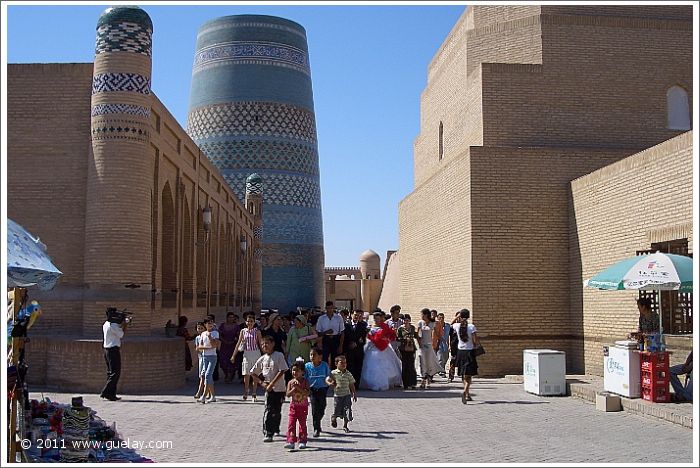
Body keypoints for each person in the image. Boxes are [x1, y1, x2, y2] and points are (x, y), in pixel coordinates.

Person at [249, 336, 289, 442]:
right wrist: (262, 383)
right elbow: (253, 373)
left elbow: (282, 370)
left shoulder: (278, 356)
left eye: (267, 343)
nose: (264, 346)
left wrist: (272, 383)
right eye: (262, 344)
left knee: (277, 409)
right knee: (269, 410)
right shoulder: (262, 358)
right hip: (269, 389)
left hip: (279, 388)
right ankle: (268, 432)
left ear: (272, 344)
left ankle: (275, 427)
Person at [360, 311, 403, 391]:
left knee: (384, 365)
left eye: (378, 319)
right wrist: (369, 336)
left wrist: (387, 339)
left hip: (383, 348)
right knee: (372, 365)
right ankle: (372, 383)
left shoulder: (385, 327)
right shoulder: (370, 327)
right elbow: (368, 337)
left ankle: (384, 382)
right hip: (372, 347)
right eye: (375, 319)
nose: (377, 320)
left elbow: (392, 335)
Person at [231, 314, 263, 401]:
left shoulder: (257, 332)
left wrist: (266, 355)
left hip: (256, 353)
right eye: (248, 321)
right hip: (246, 354)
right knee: (246, 374)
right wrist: (234, 355)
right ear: (245, 322)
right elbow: (238, 343)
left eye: (251, 321)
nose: (249, 323)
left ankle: (254, 393)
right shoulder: (243, 331)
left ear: (254, 322)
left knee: (255, 374)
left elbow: (261, 344)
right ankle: (246, 391)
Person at [452, 309, 480, 404]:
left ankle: (467, 394)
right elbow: (475, 340)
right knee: (469, 375)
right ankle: (465, 391)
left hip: (460, 352)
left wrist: (457, 316)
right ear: (468, 316)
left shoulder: (457, 326)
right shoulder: (471, 327)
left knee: (463, 374)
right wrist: (475, 345)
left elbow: (451, 323)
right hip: (469, 352)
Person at [100, 308, 128, 401]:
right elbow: (121, 334)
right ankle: (105, 392)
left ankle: (111, 394)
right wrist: (125, 324)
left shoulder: (106, 324)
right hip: (113, 350)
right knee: (115, 373)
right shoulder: (113, 325)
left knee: (111, 372)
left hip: (107, 350)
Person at [326, 355, 358, 433]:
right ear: (336, 364)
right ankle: (334, 417)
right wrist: (330, 384)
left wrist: (354, 393)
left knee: (347, 410)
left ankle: (345, 426)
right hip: (337, 396)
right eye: (341, 363)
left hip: (347, 395)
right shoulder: (333, 373)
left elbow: (351, 384)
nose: (344, 364)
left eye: (345, 363)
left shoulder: (348, 374)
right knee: (337, 409)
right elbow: (327, 379)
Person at [305, 347, 331, 438]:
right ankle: (316, 428)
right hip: (312, 390)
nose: (312, 356)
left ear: (320, 356)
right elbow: (305, 378)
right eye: (311, 354)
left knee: (322, 407)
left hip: (323, 389)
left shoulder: (324, 365)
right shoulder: (307, 366)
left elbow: (328, 376)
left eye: (314, 355)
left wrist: (330, 382)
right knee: (315, 409)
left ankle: (318, 420)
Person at [284, 362, 311, 450]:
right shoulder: (291, 382)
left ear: (302, 372)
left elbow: (307, 393)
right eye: (293, 370)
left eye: (297, 370)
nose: (294, 372)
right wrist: (293, 389)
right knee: (291, 424)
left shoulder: (305, 381)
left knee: (302, 424)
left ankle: (302, 441)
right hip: (294, 407)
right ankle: (291, 441)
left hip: (303, 407)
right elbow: (288, 394)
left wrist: (298, 388)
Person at [196, 319, 220, 403]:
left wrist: (210, 337)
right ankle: (213, 396)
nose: (210, 324)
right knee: (208, 376)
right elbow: (199, 347)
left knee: (207, 375)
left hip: (212, 357)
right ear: (205, 324)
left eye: (212, 323)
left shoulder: (215, 333)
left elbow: (215, 345)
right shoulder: (203, 334)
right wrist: (208, 348)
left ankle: (204, 395)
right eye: (208, 323)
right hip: (205, 357)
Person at [315, 301, 345, 368]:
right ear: (326, 308)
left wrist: (341, 345)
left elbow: (342, 332)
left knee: (336, 359)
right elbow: (318, 333)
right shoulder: (321, 318)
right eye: (328, 308)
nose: (330, 310)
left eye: (331, 308)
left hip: (336, 339)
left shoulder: (338, 318)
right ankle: (325, 374)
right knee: (324, 359)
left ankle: (335, 375)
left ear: (333, 308)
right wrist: (326, 332)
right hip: (326, 340)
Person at [416, 308, 440, 388]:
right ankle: (423, 380)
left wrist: (436, 342)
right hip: (422, 345)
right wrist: (419, 343)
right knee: (422, 361)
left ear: (426, 315)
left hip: (429, 345)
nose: (421, 316)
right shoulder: (420, 323)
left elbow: (437, 333)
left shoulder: (432, 323)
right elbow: (417, 334)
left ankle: (429, 378)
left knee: (429, 362)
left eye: (422, 314)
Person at [343, 309, 368, 383]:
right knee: (350, 366)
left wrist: (356, 343)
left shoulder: (363, 325)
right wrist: (349, 343)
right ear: (351, 315)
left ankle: (356, 384)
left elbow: (363, 338)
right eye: (355, 315)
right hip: (349, 349)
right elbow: (344, 337)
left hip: (358, 349)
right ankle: (349, 383)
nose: (357, 316)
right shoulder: (346, 325)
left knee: (358, 366)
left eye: (359, 315)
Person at [218, 312, 241, 383]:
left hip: (233, 346)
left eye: (232, 317)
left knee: (232, 362)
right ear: (227, 318)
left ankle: (229, 376)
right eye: (229, 317)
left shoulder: (236, 326)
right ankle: (226, 374)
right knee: (223, 361)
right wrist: (224, 341)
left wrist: (235, 340)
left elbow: (239, 336)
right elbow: (219, 335)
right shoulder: (222, 325)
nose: (231, 319)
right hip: (224, 346)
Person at [397, 314, 418, 389]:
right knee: (405, 366)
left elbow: (415, 335)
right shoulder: (400, 329)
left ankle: (412, 383)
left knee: (411, 366)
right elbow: (398, 338)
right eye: (405, 320)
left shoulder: (412, 328)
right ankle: (405, 383)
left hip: (411, 348)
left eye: (407, 320)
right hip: (403, 348)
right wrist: (404, 339)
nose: (406, 321)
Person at [193, 321, 207, 400]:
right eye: (198, 328)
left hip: (206, 358)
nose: (200, 330)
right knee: (202, 376)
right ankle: (208, 392)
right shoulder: (197, 338)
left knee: (203, 376)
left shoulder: (206, 336)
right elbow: (197, 348)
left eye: (202, 328)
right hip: (201, 358)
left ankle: (199, 392)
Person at [435, 313, 451, 377]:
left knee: (445, 357)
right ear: (438, 318)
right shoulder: (436, 326)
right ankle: (441, 371)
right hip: (438, 344)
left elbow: (448, 336)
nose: (441, 319)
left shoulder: (447, 326)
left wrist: (449, 345)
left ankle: (440, 369)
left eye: (442, 318)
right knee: (440, 358)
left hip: (445, 345)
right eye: (440, 318)